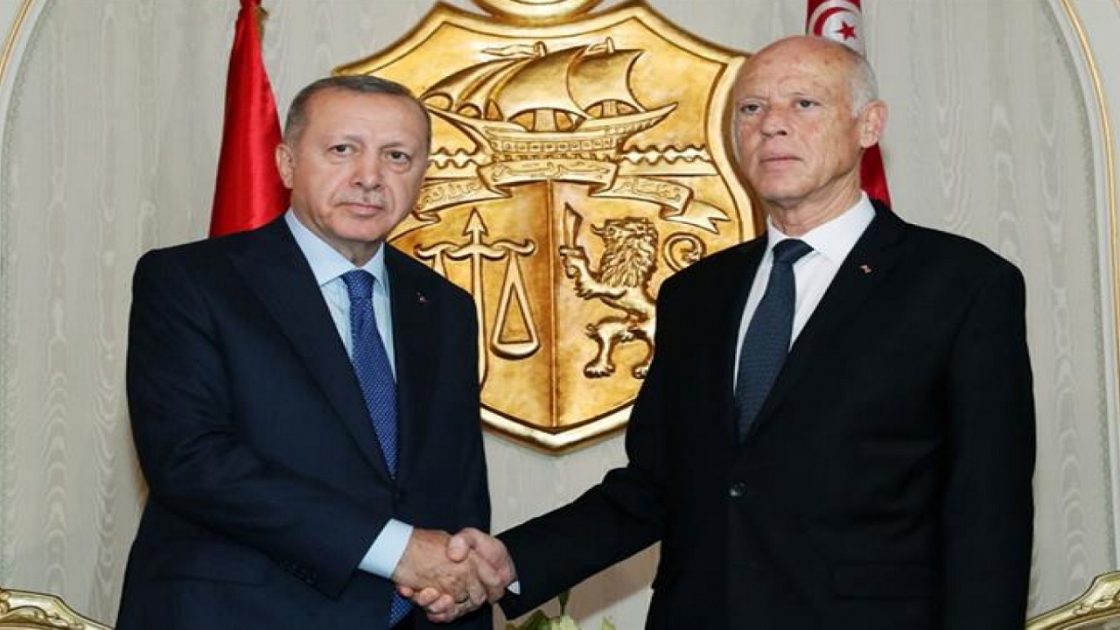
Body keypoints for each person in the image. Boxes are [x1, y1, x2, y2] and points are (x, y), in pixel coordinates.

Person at [418, 35, 1036, 629]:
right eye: (751, 108)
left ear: (869, 125)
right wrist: (511, 562)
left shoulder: (961, 284)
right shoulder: (696, 294)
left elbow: (989, 512)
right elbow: (656, 486)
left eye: (804, 103)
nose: (772, 125)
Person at [116, 75, 498, 629]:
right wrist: (396, 549)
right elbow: (191, 459)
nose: (369, 177)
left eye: (397, 156)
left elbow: (458, 485)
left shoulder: (444, 306)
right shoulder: (191, 281)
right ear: (287, 163)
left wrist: (461, 583)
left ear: (422, 176)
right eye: (342, 150)